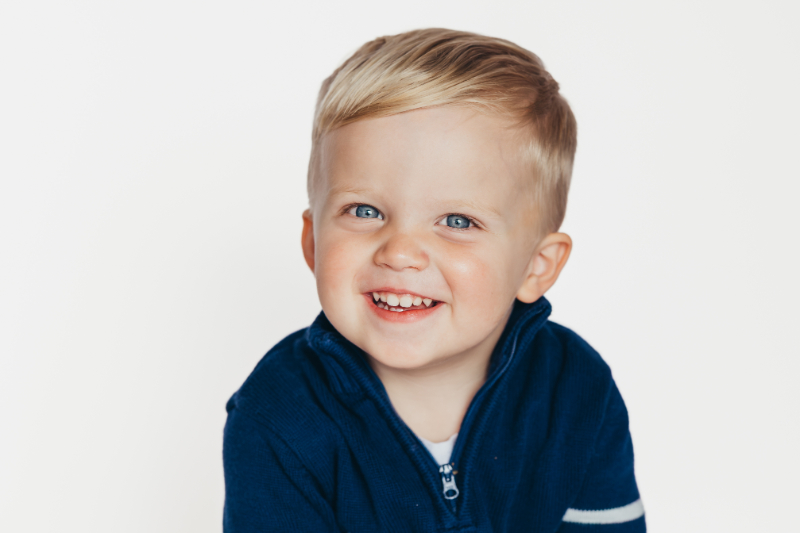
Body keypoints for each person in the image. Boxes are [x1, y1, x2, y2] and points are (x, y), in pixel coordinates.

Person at [222, 28, 645, 532]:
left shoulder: (575, 391)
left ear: (537, 266)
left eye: (457, 221)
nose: (400, 252)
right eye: (364, 210)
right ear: (314, 242)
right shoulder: (278, 414)